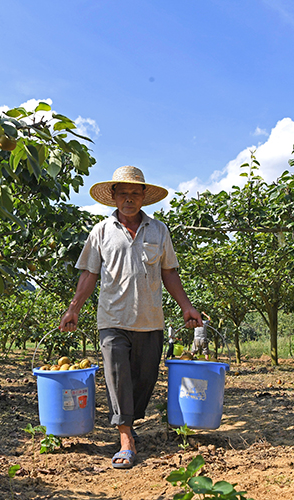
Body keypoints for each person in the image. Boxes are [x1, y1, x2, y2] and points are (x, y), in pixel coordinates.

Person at [59, 165, 202, 469]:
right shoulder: (101, 231)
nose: (128, 198)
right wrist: (74, 308)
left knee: (144, 379)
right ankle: (126, 439)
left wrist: (187, 306)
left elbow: (169, 273)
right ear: (113, 196)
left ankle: (129, 422)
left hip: (150, 319)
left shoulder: (159, 230)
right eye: (122, 192)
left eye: (134, 193)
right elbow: (89, 273)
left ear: (143, 197)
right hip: (112, 318)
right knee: (118, 376)